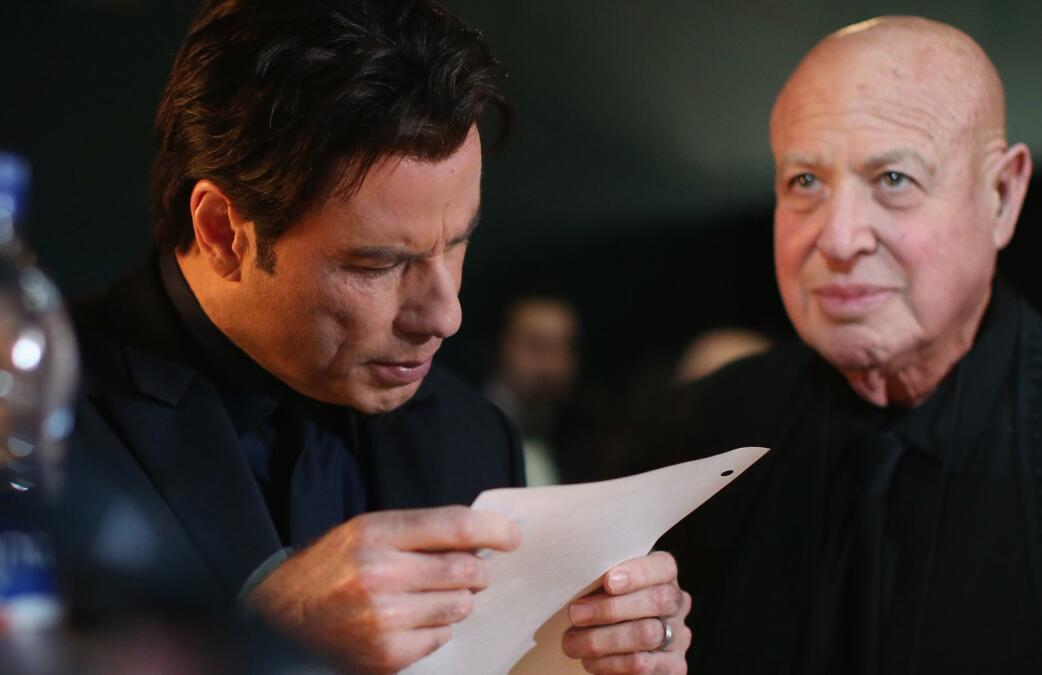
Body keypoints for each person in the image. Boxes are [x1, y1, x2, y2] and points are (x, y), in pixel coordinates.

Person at [62, 1, 690, 673]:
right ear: (221, 231)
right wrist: (261, 639)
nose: (444, 314)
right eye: (377, 263)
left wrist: (591, 659)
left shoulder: (473, 432)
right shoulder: (33, 419)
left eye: (458, 242)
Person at [652, 16, 1042, 675]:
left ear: (1002, 195)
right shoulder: (704, 434)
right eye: (805, 182)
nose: (839, 237)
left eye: (893, 180)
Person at [485, 296, 580, 486]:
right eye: (534, 344)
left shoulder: (582, 430)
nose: (550, 363)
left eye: (562, 347)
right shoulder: (470, 425)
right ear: (499, 345)